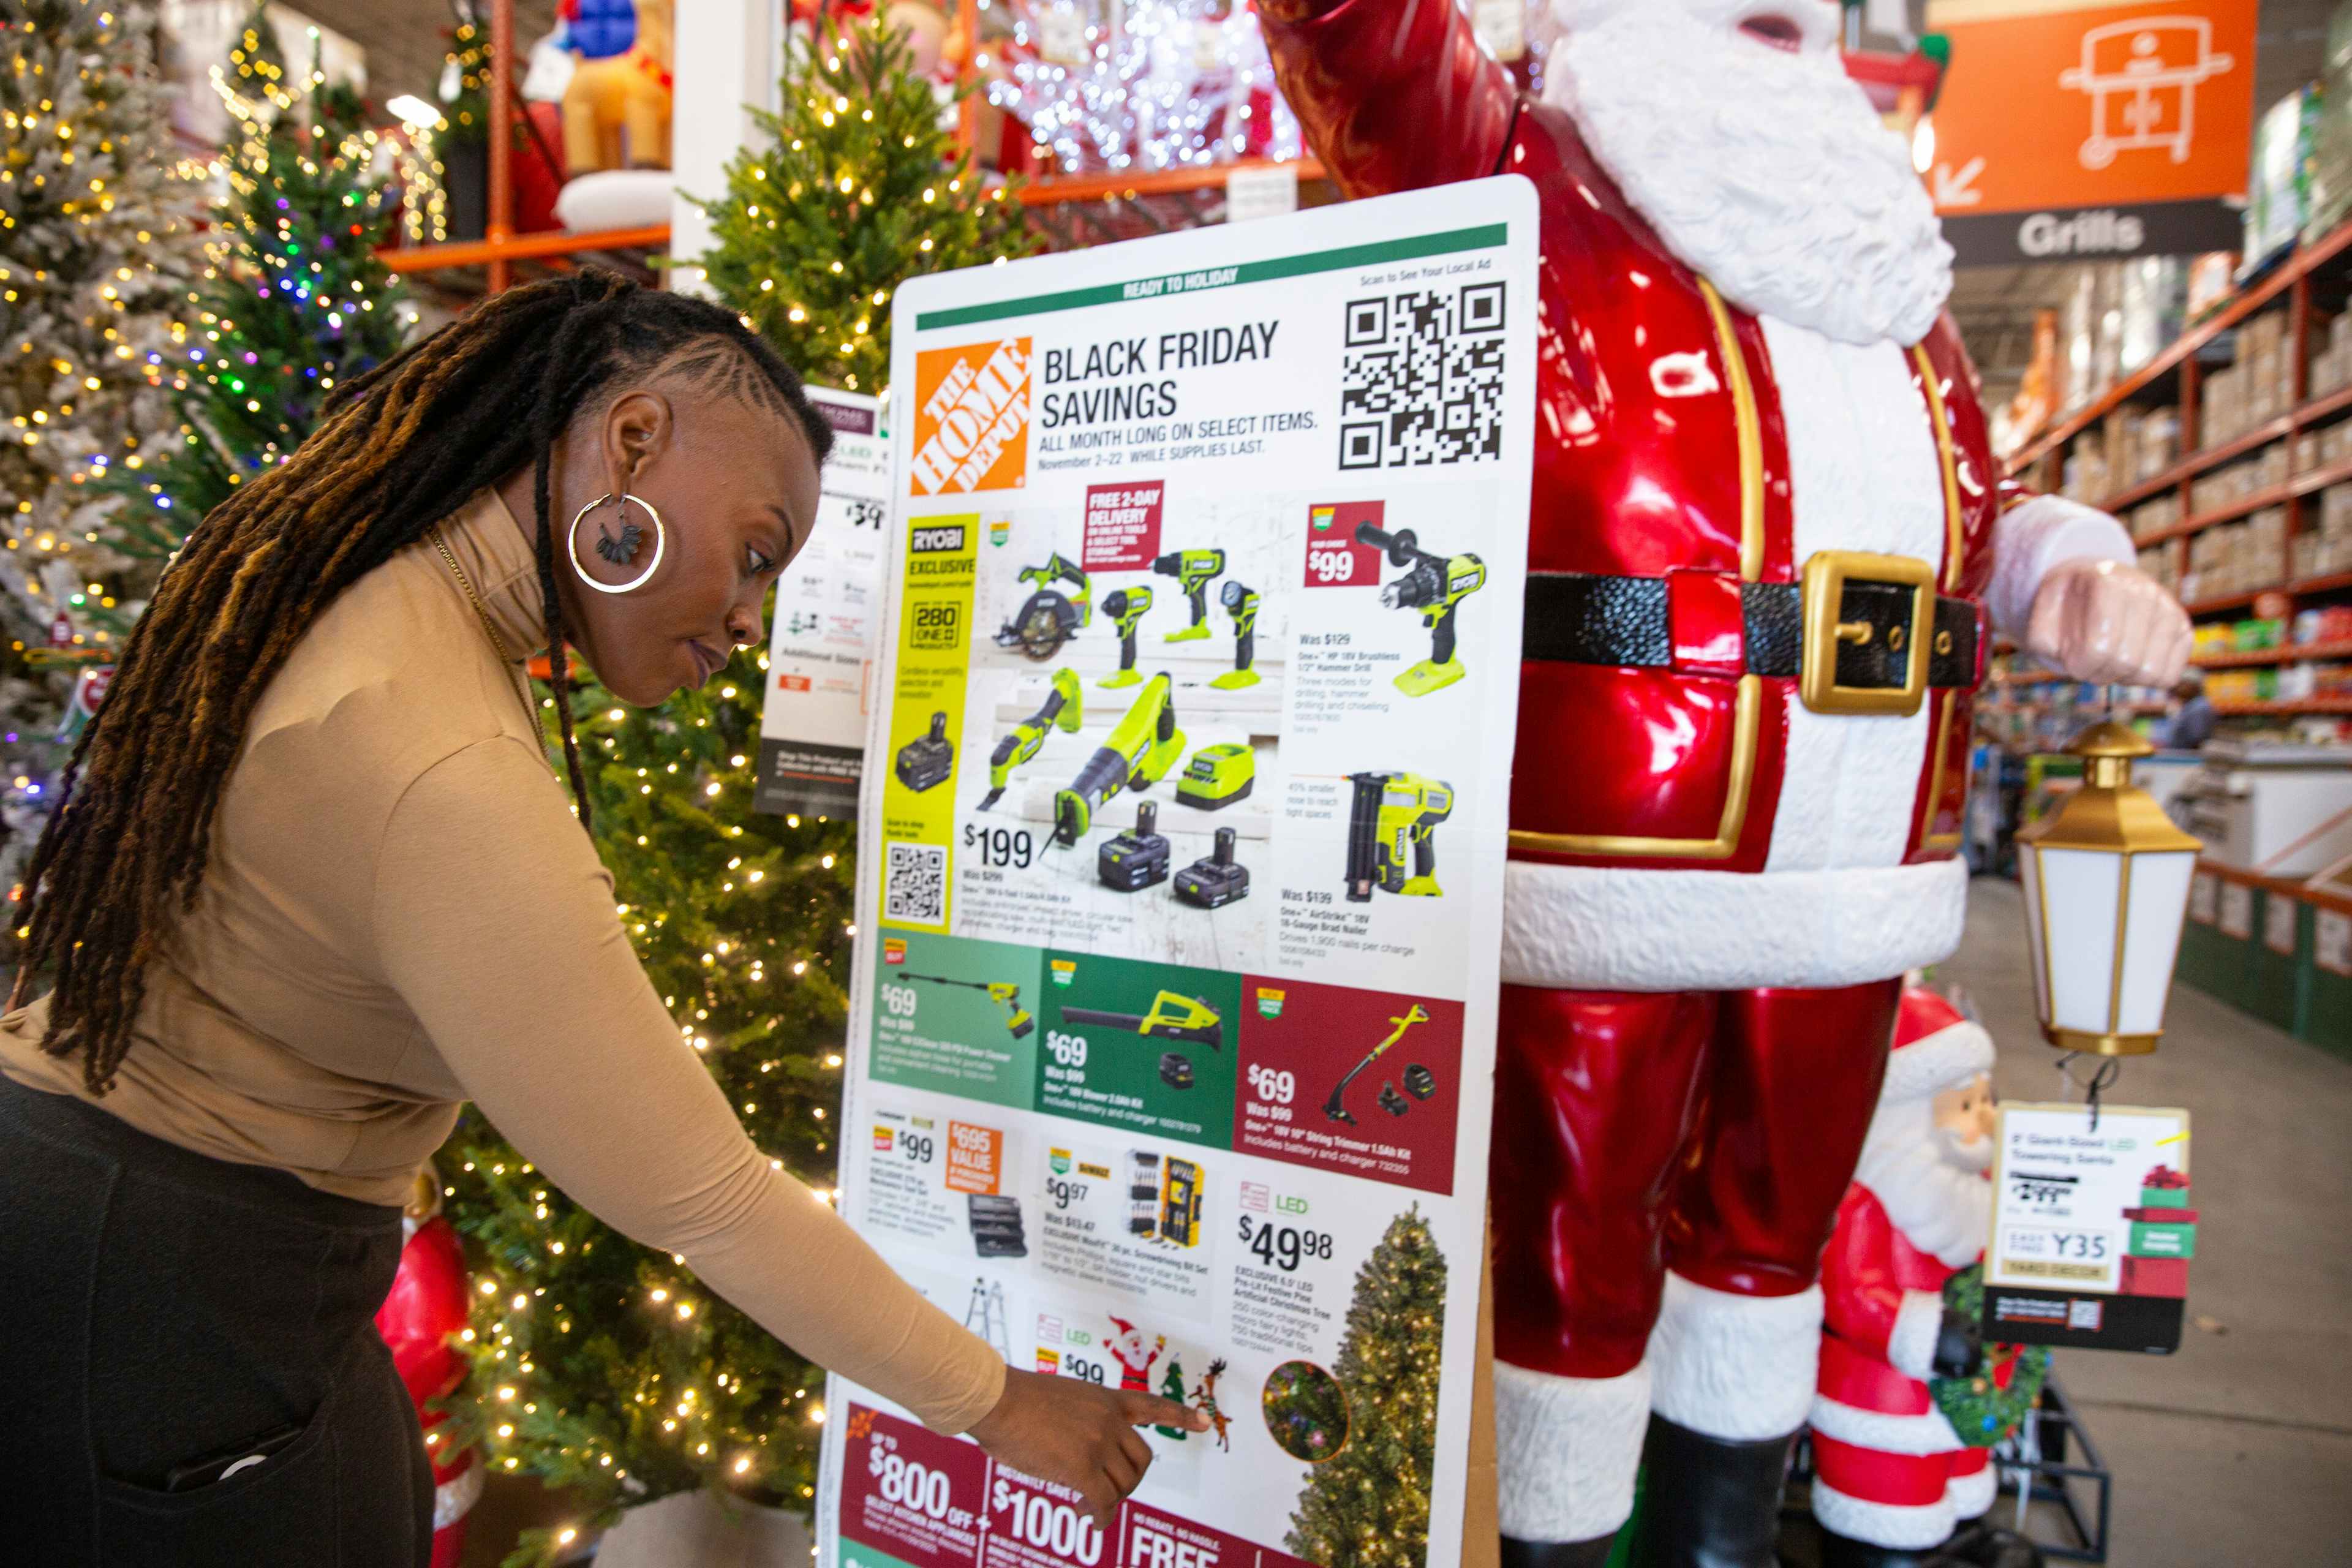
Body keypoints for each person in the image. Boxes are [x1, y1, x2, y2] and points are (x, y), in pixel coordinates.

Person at [0, 271, 1198, 1567]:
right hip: (163, 1296)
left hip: (137, 1253)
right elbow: (708, 1194)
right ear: (633, 440)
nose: (750, 617)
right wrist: (1005, 1403)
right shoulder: (435, 754)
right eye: (753, 550)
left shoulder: (379, 600)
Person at [1256, 2, 2191, 1563]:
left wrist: (2054, 560)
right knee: (1571, 1248)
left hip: (1850, 862)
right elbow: (1350, 28)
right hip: (1615, 850)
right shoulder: (1504, 163)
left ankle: (1716, 1539)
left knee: (1771, 1240)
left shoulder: (1875, 255)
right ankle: (1550, 1537)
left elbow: (1965, 484)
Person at [2165, 671, 2216, 750]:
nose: (2179, 688)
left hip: (2188, 758)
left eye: (2183, 684)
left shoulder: (2199, 708)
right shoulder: (2190, 705)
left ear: (2194, 686)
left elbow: (2197, 738)